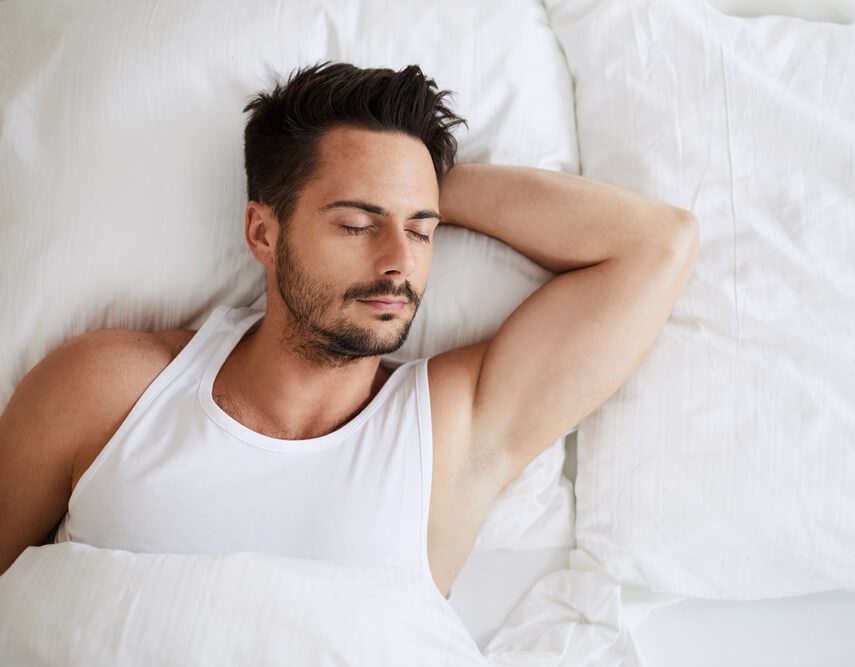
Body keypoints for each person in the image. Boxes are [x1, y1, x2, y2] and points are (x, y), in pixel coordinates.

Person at [0, 62, 699, 599]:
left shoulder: (452, 430)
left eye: (424, 232)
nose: (399, 263)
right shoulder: (107, 389)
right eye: (358, 225)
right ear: (263, 231)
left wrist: (418, 189)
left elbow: (657, 244)